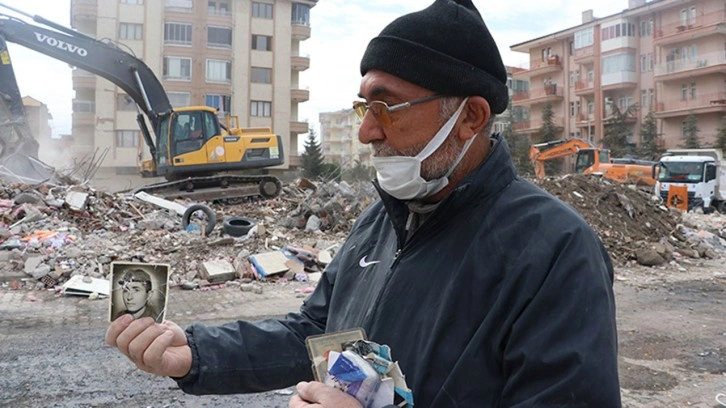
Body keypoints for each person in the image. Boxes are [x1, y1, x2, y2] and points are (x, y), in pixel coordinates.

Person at [106, 0, 622, 406]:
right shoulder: (382, 221)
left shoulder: (554, 251)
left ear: (470, 118)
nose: (368, 131)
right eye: (364, 107)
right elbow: (315, 334)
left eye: (387, 106)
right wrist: (195, 353)